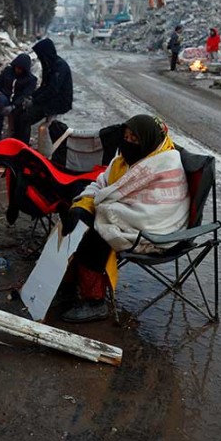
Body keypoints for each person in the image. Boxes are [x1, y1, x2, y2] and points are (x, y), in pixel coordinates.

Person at [59, 115, 190, 322]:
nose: (128, 143)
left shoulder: (165, 164)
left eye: (134, 139)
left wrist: (102, 210)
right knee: (76, 215)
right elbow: (102, 184)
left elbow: (154, 212)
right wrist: (84, 205)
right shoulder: (122, 161)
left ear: (147, 140)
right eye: (126, 137)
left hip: (156, 232)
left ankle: (95, 302)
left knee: (97, 234)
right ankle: (68, 283)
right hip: (124, 216)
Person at [13, 38, 73, 145]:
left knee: (25, 118)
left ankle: (23, 146)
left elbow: (53, 89)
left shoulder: (59, 66)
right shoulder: (49, 64)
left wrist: (35, 101)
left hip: (59, 101)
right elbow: (44, 86)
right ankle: (16, 140)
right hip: (49, 99)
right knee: (18, 112)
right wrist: (32, 96)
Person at [0, 54, 38, 139]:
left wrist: (13, 106)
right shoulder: (7, 72)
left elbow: (25, 95)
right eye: (17, 67)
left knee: (22, 113)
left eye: (20, 69)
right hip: (4, 98)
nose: (18, 70)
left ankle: (15, 135)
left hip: (18, 103)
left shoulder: (31, 80)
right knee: (0, 101)